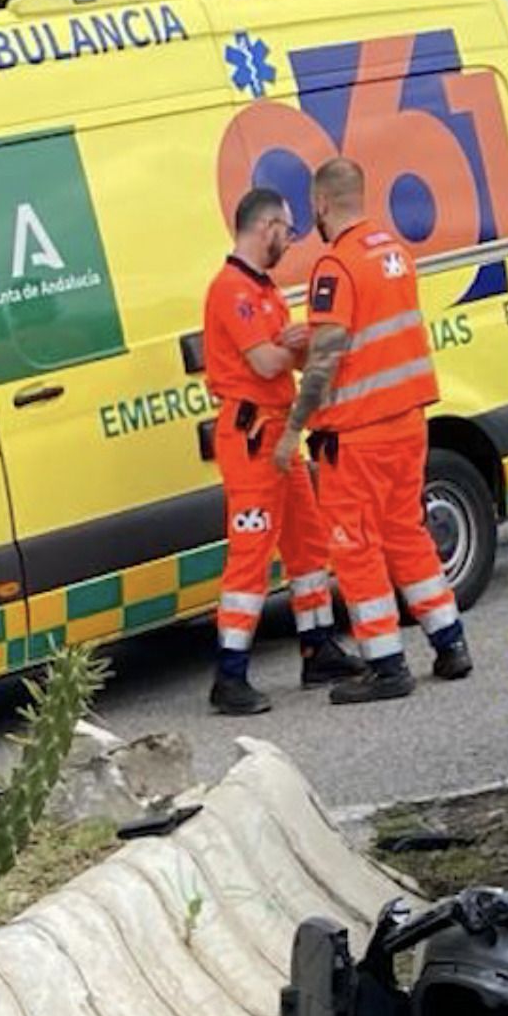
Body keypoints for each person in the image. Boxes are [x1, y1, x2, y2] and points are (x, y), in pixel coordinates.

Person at [287, 156, 475, 705]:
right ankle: (450, 641)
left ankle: (386, 665)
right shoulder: (394, 253)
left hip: (356, 432)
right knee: (407, 533)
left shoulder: (335, 266)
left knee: (355, 547)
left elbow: (327, 359)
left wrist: (293, 426)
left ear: (321, 203)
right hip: (407, 421)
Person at [202, 187, 359, 715]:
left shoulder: (263, 290)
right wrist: (298, 342)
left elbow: (287, 357)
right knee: (250, 555)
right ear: (266, 226)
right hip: (251, 438)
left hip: (278, 432)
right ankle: (230, 676)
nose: (290, 242)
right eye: (287, 232)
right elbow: (269, 361)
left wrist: (304, 342)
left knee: (308, 544)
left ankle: (318, 648)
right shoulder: (232, 290)